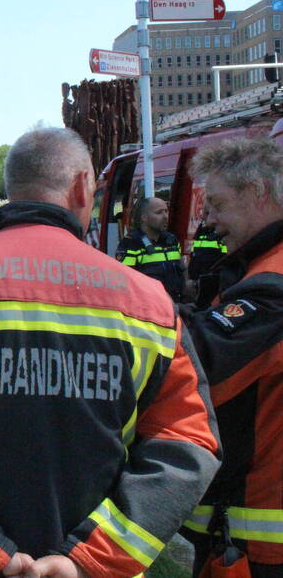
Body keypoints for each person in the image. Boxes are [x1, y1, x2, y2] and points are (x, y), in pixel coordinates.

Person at [0, 127, 220, 578]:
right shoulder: (149, 302)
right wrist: (88, 560)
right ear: (81, 186)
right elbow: (185, 438)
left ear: (11, 190)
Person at [178, 137, 283, 576]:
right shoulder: (259, 271)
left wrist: (133, 312)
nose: (209, 220)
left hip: (259, 541)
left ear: (258, 192)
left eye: (217, 204)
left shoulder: (272, 286)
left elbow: (200, 369)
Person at [116, 197, 186, 302]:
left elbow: (182, 270)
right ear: (144, 217)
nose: (165, 217)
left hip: (177, 306)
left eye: (166, 211)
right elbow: (125, 282)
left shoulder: (171, 240)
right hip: (149, 307)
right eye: (159, 213)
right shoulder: (132, 243)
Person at [188, 211, 228, 306]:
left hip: (213, 290)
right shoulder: (201, 231)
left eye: (207, 213)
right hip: (196, 288)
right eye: (204, 213)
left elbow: (225, 263)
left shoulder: (223, 234)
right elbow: (194, 257)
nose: (204, 217)